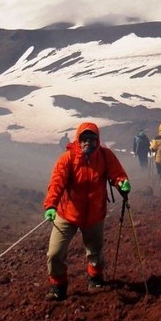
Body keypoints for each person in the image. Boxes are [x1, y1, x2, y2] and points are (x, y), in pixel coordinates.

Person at [42, 121, 130, 301]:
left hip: (94, 214)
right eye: (84, 138)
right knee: (55, 253)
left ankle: (95, 279)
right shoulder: (67, 159)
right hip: (67, 214)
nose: (88, 142)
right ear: (78, 139)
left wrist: (122, 182)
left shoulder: (105, 156)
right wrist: (51, 206)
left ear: (98, 140)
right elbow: (56, 184)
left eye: (92, 138)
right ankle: (58, 286)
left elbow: (117, 174)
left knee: (95, 251)